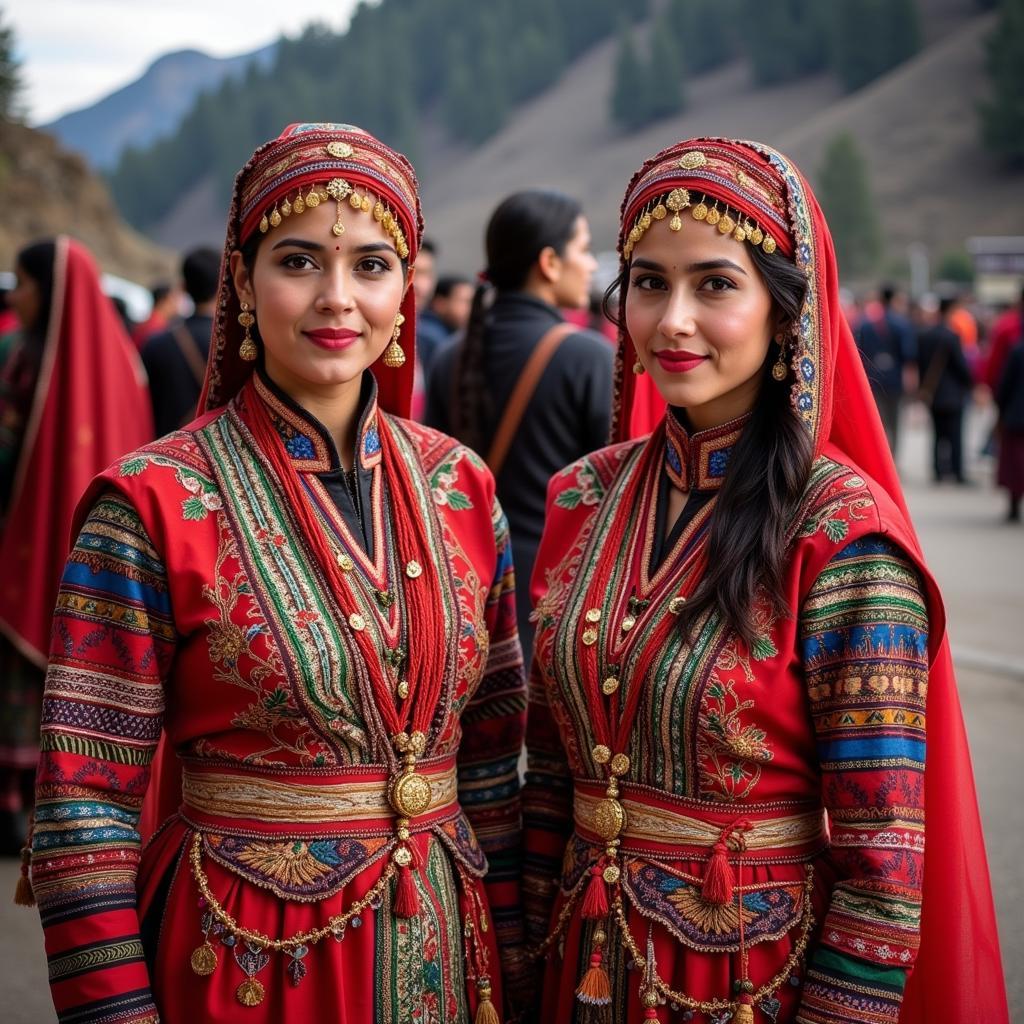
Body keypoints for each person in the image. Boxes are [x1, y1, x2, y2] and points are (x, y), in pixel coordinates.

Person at [25, 124, 528, 1024]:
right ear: (244, 284)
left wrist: (518, 974)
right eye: (300, 262)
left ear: (405, 289)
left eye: (373, 266)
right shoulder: (150, 504)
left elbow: (491, 765)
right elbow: (84, 810)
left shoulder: (462, 485)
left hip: (448, 965)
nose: (339, 299)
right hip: (244, 967)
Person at [522, 139, 1007, 1024]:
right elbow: (551, 783)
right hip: (576, 976)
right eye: (648, 282)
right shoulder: (583, 496)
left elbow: (884, 875)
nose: (671, 319)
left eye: (714, 284)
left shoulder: (843, 539)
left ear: (786, 314)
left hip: (748, 988)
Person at [0, 238, 152, 854]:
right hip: (99, 556)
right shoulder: (122, 361)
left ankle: (15, 802)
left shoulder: (20, 358)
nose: (18, 297)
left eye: (28, 285)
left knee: (19, 675)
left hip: (22, 540)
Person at [425, 189, 613, 665]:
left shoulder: (451, 356)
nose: (591, 265)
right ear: (549, 262)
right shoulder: (588, 357)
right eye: (584, 248)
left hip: (468, 588)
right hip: (556, 591)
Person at [142, 246, 221, 436]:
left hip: (159, 452)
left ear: (183, 287)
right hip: (216, 455)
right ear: (224, 283)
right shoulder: (241, 345)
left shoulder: (155, 343)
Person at [917, 295, 974, 483]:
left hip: (932, 392)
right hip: (952, 393)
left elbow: (921, 364)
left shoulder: (925, 335)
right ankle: (957, 472)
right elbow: (961, 367)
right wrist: (970, 383)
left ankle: (938, 471)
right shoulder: (951, 336)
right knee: (955, 435)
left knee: (937, 434)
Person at [854, 283, 915, 454]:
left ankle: (879, 455)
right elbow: (909, 355)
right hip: (895, 379)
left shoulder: (866, 324)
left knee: (877, 421)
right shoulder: (902, 324)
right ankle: (893, 458)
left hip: (873, 378)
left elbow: (859, 353)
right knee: (895, 422)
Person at [417, 274, 475, 373]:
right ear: (440, 304)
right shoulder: (431, 337)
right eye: (464, 301)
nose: (471, 309)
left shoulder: (448, 334)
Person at [996, 336, 1024, 522]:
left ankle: (1014, 503)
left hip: (1017, 414)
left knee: (1015, 465)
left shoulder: (1018, 350)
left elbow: (1004, 385)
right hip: (1016, 415)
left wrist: (1002, 409)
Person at [131, 280, 181, 350]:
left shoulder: (148, 323)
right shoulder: (157, 326)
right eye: (175, 299)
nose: (178, 303)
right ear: (164, 301)